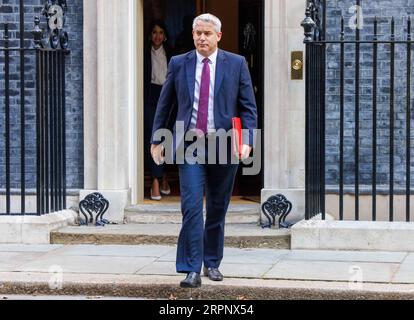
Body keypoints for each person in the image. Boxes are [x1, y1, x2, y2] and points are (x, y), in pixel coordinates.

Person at [150, 14, 257, 288]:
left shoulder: (236, 64)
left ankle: (212, 262)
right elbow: (165, 104)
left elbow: (248, 107)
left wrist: (247, 140)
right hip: (190, 146)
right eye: (198, 33)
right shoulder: (179, 63)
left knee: (218, 208)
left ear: (218, 36)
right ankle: (191, 268)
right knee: (192, 207)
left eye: (207, 33)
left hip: (224, 145)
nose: (202, 38)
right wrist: (156, 139)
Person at [144, 20, 173, 201]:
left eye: (161, 32)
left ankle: (164, 176)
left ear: (165, 35)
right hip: (150, 98)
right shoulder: (143, 53)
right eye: (154, 32)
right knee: (153, 137)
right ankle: (155, 180)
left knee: (168, 138)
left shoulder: (172, 54)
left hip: (169, 98)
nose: (157, 36)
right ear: (150, 35)